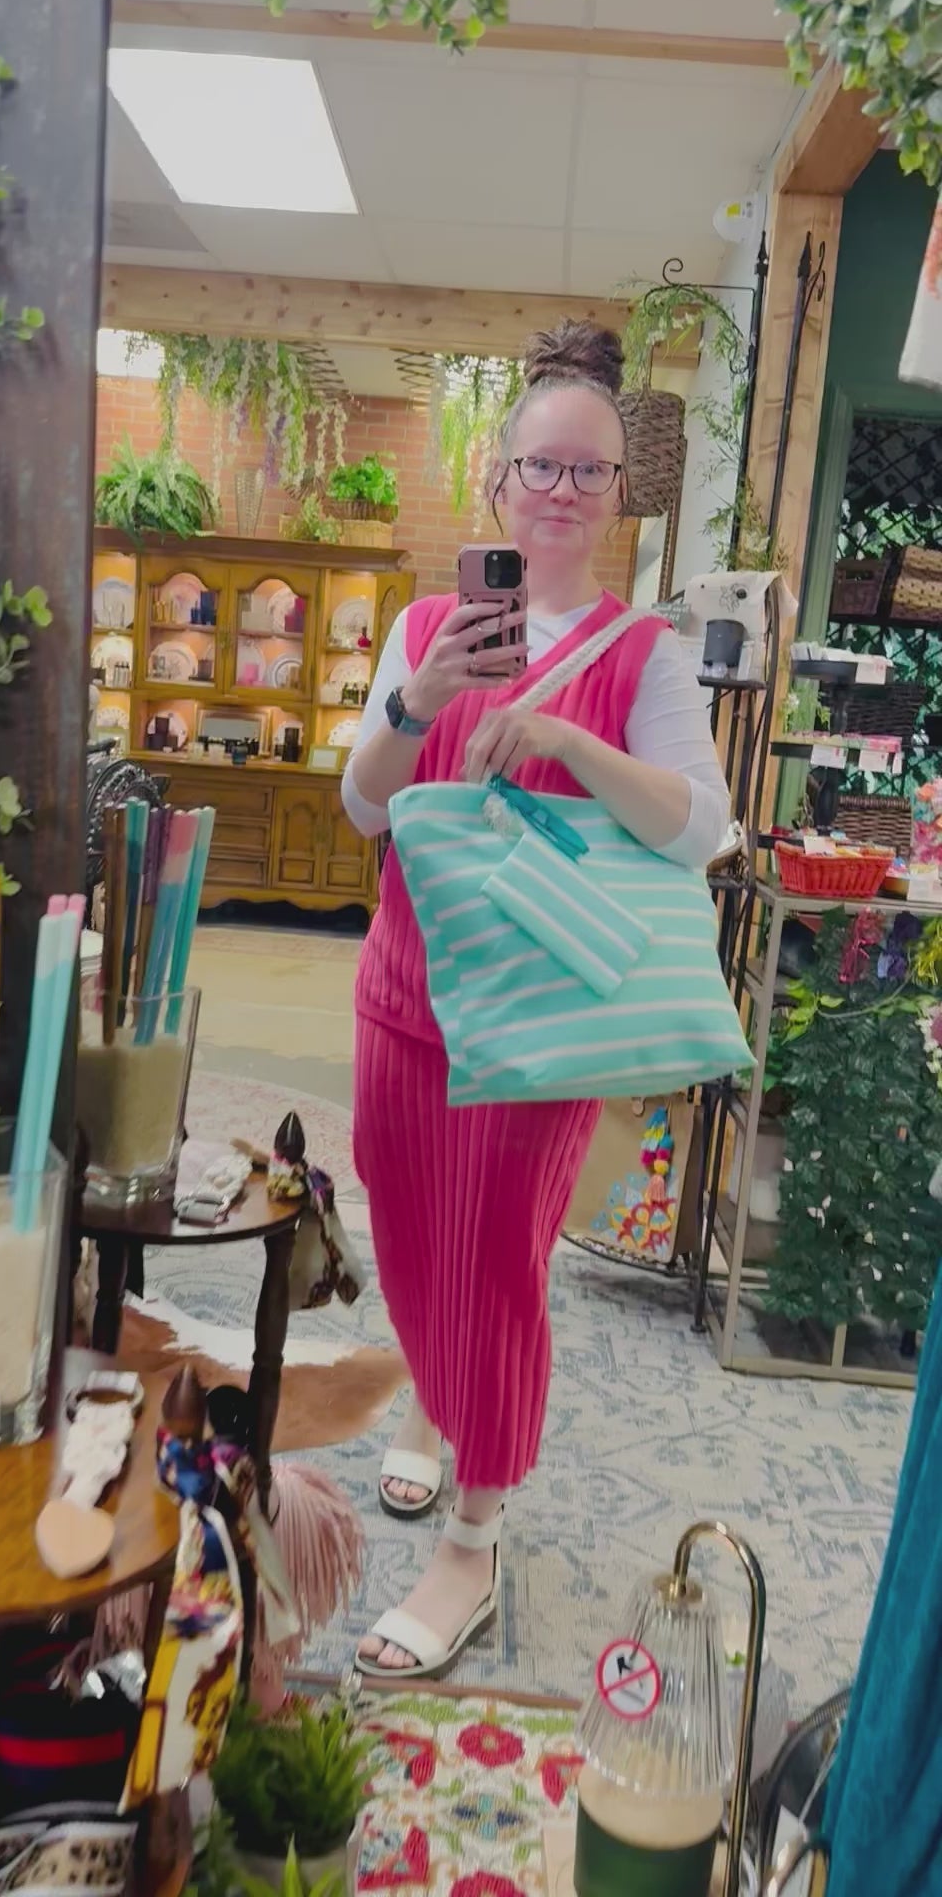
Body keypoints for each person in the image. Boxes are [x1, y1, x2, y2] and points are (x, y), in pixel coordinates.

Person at [341, 321, 730, 1680]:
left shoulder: (648, 654)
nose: (563, 491)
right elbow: (361, 803)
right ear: (500, 481)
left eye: (592, 473)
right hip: (409, 994)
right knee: (405, 1224)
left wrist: (566, 734)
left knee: (497, 1261)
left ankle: (473, 1533)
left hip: (549, 1023)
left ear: (619, 494)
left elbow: (705, 831)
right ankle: (439, 1411)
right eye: (542, 466)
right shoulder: (428, 623)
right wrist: (417, 700)